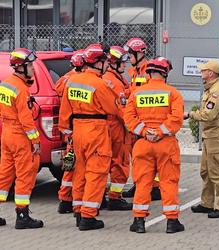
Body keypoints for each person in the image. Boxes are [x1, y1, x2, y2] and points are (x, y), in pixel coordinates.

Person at [58, 44, 120, 231]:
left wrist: (68, 134)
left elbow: (64, 114)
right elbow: (113, 109)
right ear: (98, 64)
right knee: (96, 173)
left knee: (79, 173)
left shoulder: (73, 82)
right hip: (96, 131)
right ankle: (88, 217)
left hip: (78, 132)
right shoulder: (99, 84)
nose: (107, 66)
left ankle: (78, 210)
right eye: (105, 63)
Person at [124, 56, 185, 234]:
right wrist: (159, 132)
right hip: (166, 143)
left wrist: (145, 132)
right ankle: (172, 222)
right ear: (165, 73)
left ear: (148, 73)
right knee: (168, 182)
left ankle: (139, 221)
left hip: (143, 144)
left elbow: (129, 119)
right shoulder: (173, 93)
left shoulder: (136, 93)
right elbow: (176, 118)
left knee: (143, 183)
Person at [0, 48, 43, 229]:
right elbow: (26, 119)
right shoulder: (21, 89)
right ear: (21, 67)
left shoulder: (5, 84)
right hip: (20, 135)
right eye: (30, 65)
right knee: (25, 175)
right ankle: (22, 216)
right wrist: (35, 141)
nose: (33, 68)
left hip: (7, 134)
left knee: (4, 174)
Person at [184, 59, 219, 218]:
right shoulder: (210, 88)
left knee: (218, 172)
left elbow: (208, 115)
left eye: (203, 70)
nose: (201, 72)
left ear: (210, 73)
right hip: (209, 135)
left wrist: (190, 114)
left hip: (216, 135)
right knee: (206, 171)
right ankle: (207, 203)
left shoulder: (217, 90)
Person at [122, 37, 161, 201]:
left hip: (146, 118)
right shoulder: (135, 72)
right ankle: (140, 183)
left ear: (139, 53)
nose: (128, 57)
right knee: (137, 155)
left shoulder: (148, 71)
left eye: (130, 54)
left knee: (151, 155)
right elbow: (134, 91)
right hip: (137, 119)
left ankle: (156, 187)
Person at [102, 46, 132, 210]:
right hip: (117, 126)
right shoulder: (114, 81)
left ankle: (100, 196)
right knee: (120, 161)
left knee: (104, 162)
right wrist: (132, 125)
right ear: (113, 63)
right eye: (122, 63)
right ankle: (115, 197)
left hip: (106, 125)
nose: (125, 66)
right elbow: (121, 108)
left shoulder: (108, 77)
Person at [55, 50, 85, 214]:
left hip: (69, 128)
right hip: (79, 128)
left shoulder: (64, 79)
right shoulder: (78, 81)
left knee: (69, 165)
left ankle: (65, 200)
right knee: (79, 167)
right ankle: (76, 203)